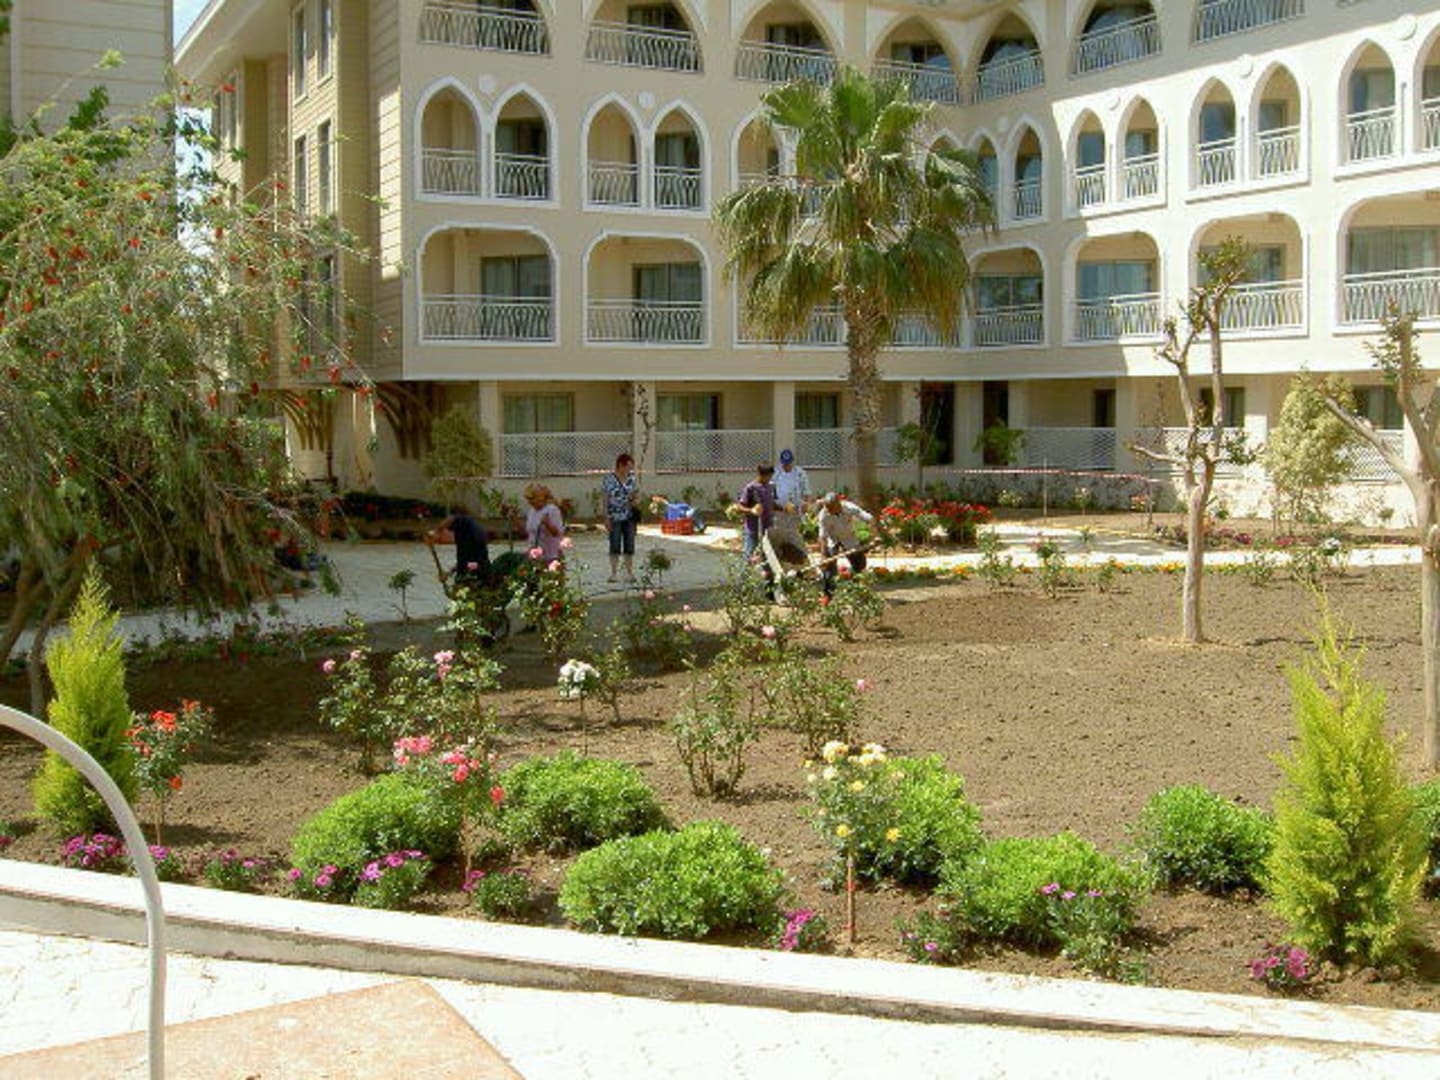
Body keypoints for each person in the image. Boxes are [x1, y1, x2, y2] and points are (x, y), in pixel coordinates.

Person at [817, 491, 873, 596]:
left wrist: (874, 536)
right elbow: (822, 537)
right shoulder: (823, 515)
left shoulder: (849, 507)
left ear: (838, 504)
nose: (829, 510)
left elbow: (868, 518)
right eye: (827, 508)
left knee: (860, 564)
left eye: (831, 508)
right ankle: (828, 594)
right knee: (829, 568)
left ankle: (855, 589)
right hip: (832, 540)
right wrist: (824, 555)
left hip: (849, 538)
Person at [425, 504, 491, 588]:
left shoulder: (466, 522)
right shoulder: (466, 535)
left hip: (477, 572)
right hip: (477, 568)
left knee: (471, 572)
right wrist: (448, 573)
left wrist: (436, 532)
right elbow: (463, 563)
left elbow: (452, 519)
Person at [601, 452, 641, 582]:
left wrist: (635, 501)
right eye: (628, 467)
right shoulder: (609, 479)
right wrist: (606, 517)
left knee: (629, 545)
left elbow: (635, 494)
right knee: (615, 544)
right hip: (614, 516)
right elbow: (605, 499)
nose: (629, 470)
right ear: (620, 466)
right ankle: (614, 573)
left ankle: (629, 572)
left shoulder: (631, 479)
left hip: (629, 516)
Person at [769, 447, 811, 559]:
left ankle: (797, 553)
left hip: (795, 508)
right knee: (779, 530)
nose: (786, 466)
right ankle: (780, 553)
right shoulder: (776, 473)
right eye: (784, 464)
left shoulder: (800, 473)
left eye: (788, 463)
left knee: (793, 532)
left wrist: (805, 504)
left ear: (792, 462)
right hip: (779, 509)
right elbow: (771, 489)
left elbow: (806, 491)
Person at [736, 462, 776, 564]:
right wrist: (752, 510)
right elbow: (739, 507)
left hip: (768, 528)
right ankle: (744, 573)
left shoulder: (771, 486)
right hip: (753, 528)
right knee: (748, 555)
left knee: (768, 556)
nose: (769, 479)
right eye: (767, 476)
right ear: (759, 474)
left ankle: (767, 574)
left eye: (770, 476)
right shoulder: (750, 488)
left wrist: (784, 508)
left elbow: (772, 504)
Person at [524, 483, 565, 564]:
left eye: (532, 498)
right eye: (528, 499)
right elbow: (529, 532)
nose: (530, 502)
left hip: (551, 555)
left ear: (540, 497)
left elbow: (557, 533)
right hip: (535, 554)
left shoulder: (552, 510)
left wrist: (547, 523)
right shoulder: (532, 511)